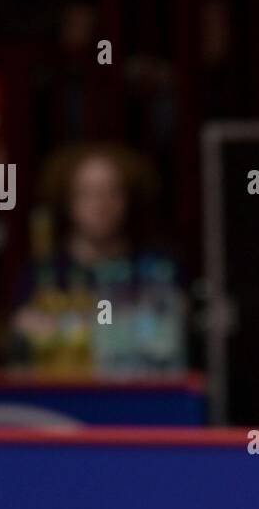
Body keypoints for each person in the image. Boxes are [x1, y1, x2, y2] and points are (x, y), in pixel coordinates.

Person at [13, 143, 186, 376]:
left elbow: (168, 335)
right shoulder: (41, 275)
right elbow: (22, 338)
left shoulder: (158, 271)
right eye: (87, 193)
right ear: (69, 202)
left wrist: (73, 328)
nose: (101, 205)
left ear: (127, 199)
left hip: (136, 400)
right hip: (60, 400)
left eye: (111, 192)